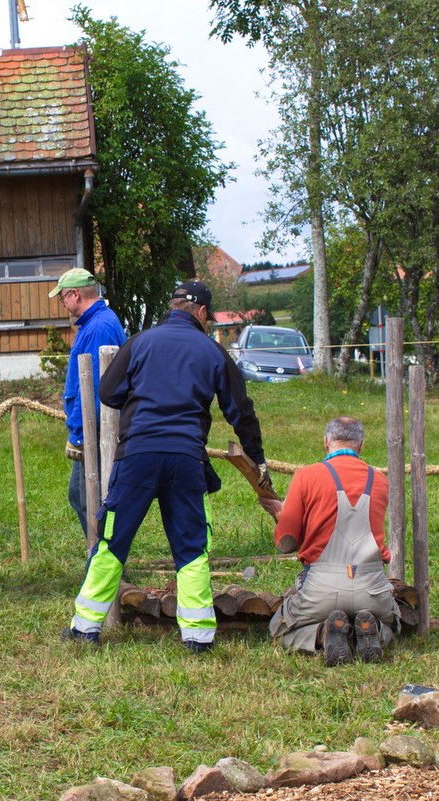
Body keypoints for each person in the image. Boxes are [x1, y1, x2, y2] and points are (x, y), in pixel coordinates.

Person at [63, 280, 277, 651]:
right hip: (186, 457)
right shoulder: (211, 351)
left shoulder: (140, 342)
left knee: (113, 539)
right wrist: (256, 457)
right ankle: (197, 637)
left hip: (137, 456)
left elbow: (108, 392)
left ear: (172, 306)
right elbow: (240, 411)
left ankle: (85, 628)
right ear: (202, 314)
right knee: (191, 546)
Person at [269, 417, 400, 666]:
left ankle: (322, 634)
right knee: (392, 625)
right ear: (361, 445)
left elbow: (286, 542)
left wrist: (281, 514)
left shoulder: (306, 476)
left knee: (279, 626)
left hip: (321, 587)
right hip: (371, 588)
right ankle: (369, 631)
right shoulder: (380, 481)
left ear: (326, 442)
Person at [48, 268, 127, 540]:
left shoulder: (99, 328)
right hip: (91, 428)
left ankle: (104, 563)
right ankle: (101, 559)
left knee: (91, 501)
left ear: (75, 294)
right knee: (79, 496)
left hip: (96, 430)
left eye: (62, 298)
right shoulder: (95, 323)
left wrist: (81, 435)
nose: (63, 304)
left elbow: (94, 387)